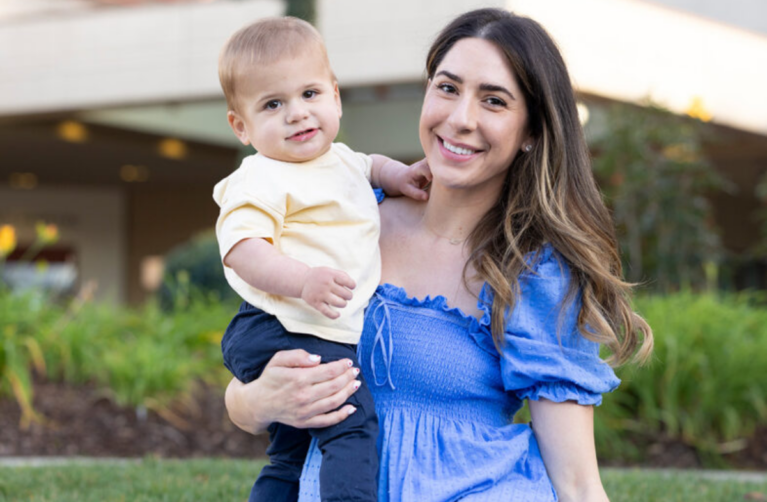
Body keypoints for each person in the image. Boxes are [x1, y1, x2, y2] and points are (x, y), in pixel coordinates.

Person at [225, 8, 654, 502]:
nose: (460, 118)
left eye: (493, 101)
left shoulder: (535, 272)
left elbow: (578, 482)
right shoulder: (343, 224)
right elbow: (243, 389)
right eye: (447, 88)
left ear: (531, 132)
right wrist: (260, 401)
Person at [213, 17, 429, 502]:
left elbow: (372, 166)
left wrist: (400, 177)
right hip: (279, 323)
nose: (297, 113)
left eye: (310, 94)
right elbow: (243, 250)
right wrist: (303, 279)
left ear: (335, 96)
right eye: (273, 104)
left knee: (291, 453)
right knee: (351, 425)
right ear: (241, 126)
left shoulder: (345, 161)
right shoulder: (259, 178)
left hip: (315, 327)